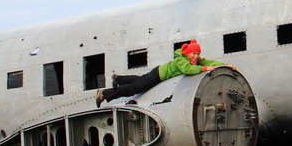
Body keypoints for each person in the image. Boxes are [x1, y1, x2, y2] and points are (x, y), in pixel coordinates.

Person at [96, 40, 233, 105]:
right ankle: (105, 94)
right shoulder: (182, 61)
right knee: (135, 89)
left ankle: (118, 79)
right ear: (187, 53)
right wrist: (204, 69)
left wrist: (225, 65)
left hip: (158, 74)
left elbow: (209, 62)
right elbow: (188, 70)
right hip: (158, 75)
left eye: (197, 53)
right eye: (193, 53)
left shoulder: (195, 60)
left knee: (139, 80)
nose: (196, 56)